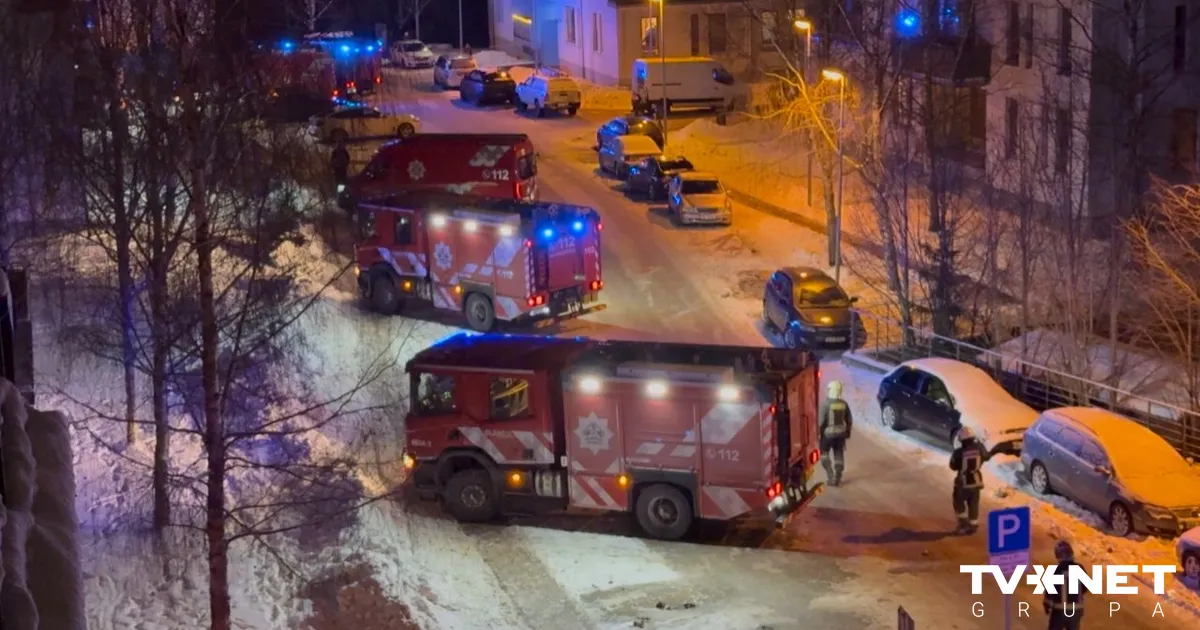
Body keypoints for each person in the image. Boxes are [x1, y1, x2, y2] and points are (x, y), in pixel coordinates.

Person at [949, 426, 987, 534]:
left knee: (958, 502)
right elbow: (986, 456)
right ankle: (973, 525)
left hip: (962, 483)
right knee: (974, 503)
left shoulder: (958, 453)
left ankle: (963, 524)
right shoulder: (980, 449)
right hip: (976, 482)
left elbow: (953, 466)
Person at [818, 380, 853, 487]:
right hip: (840, 434)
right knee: (838, 454)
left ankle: (830, 476)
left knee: (824, 455)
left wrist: (819, 434)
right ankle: (838, 476)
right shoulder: (844, 404)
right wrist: (848, 432)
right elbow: (849, 419)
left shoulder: (825, 404)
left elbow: (820, 422)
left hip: (828, 435)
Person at [1044, 540, 1084, 629]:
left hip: (1059, 611)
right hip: (1076, 610)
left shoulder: (1055, 570)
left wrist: (1047, 605)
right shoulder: (1079, 568)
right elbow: (1085, 588)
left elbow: (1049, 594)